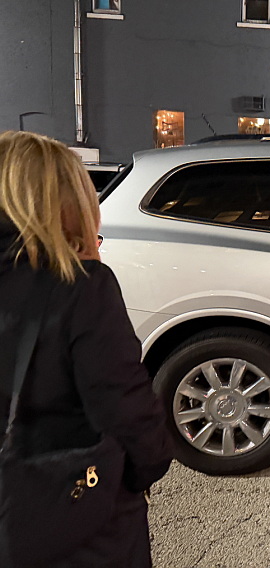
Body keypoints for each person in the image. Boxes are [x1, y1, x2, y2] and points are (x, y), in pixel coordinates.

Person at [0, 131, 173, 566]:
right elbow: (126, 409)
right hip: (70, 515)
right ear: (69, 202)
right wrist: (144, 470)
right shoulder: (79, 288)